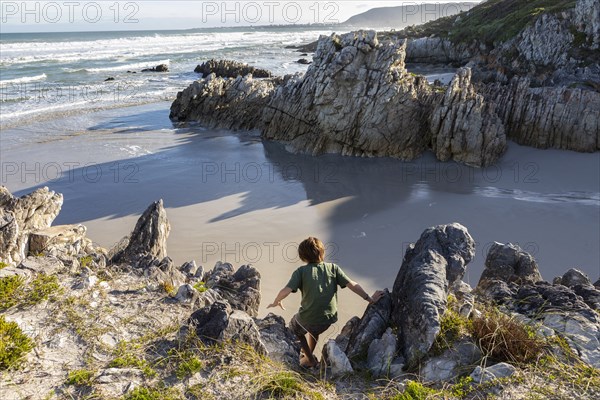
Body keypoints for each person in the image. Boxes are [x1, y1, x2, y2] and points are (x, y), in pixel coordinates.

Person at [267, 237, 383, 368]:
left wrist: (277, 301)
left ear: (302, 256)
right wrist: (370, 299)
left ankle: (309, 358)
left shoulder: (300, 272)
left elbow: (285, 290)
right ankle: (308, 354)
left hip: (308, 319)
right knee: (313, 329)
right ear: (322, 253)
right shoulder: (333, 268)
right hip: (327, 321)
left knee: (295, 329)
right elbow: (352, 285)